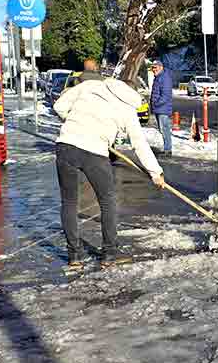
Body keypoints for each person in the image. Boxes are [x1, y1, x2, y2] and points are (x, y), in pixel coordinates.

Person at [53, 75, 164, 268]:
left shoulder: (90, 86)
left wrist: (75, 123)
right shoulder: (128, 109)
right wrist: (156, 173)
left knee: (69, 202)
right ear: (133, 92)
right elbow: (139, 143)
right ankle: (110, 253)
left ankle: (74, 256)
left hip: (66, 146)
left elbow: (59, 107)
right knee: (107, 201)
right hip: (94, 152)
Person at [149, 59, 173, 157]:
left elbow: (165, 96)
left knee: (165, 130)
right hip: (159, 108)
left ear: (161, 67)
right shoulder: (158, 77)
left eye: (155, 67)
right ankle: (167, 148)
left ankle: (168, 150)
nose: (154, 70)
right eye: (153, 68)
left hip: (163, 109)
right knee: (162, 130)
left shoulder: (165, 78)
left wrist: (155, 104)